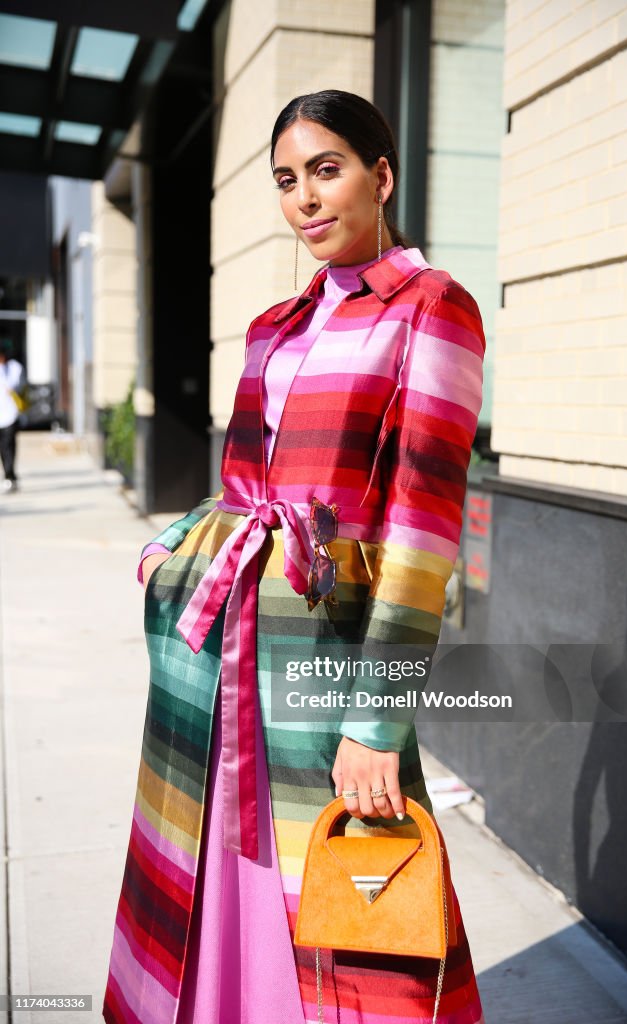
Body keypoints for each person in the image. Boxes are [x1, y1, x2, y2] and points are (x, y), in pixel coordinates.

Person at [103, 89, 487, 1024]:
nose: (306, 199)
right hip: (213, 654)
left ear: (380, 175)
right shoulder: (274, 324)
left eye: (327, 170)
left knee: (348, 886)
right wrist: (165, 548)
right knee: (208, 865)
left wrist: (374, 718)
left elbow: (422, 534)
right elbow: (237, 489)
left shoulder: (432, 308)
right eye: (286, 180)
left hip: (322, 657)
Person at [0, 338, 25, 493]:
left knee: (9, 445)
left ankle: (10, 475)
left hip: (11, 414)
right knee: (2, 448)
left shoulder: (14, 368)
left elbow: (16, 385)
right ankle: (9, 474)